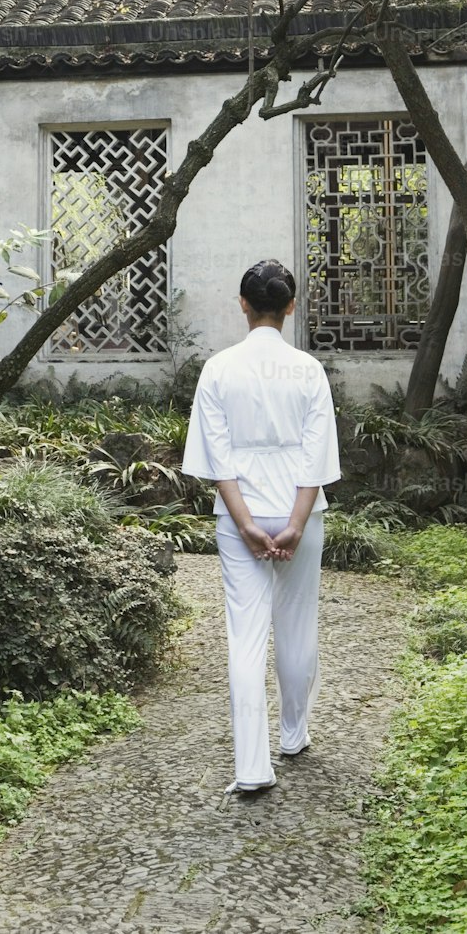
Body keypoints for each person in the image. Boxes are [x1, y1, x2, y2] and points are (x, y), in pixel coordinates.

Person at [181, 259, 341, 796]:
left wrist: (247, 523)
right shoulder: (309, 370)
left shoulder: (219, 368)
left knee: (245, 637)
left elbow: (217, 455)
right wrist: (294, 524)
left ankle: (251, 766)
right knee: (297, 625)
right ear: (290, 307)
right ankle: (293, 735)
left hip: (240, 509)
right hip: (300, 507)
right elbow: (317, 455)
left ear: (243, 304)